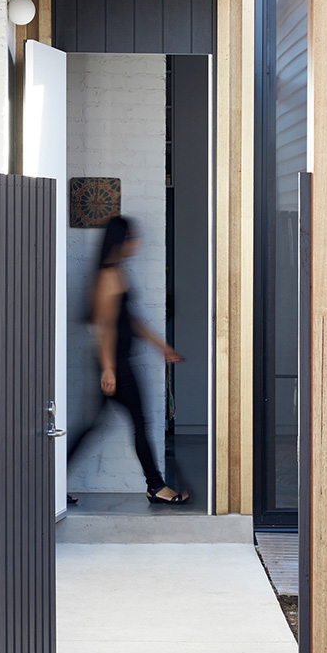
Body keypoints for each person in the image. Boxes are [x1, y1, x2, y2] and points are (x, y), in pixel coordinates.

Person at [67, 215, 189, 504]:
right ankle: (156, 486)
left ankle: (50, 483)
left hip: (117, 363)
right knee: (139, 421)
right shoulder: (108, 276)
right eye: (132, 238)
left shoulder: (116, 272)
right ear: (120, 241)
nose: (137, 243)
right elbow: (104, 326)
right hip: (116, 365)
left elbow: (128, 319)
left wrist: (162, 346)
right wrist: (108, 369)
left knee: (93, 426)